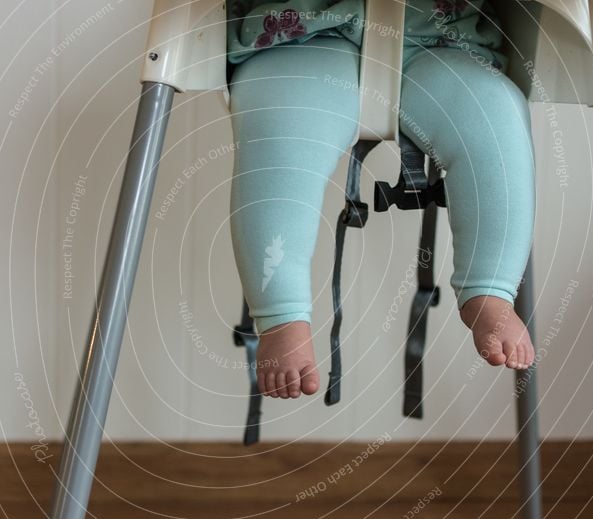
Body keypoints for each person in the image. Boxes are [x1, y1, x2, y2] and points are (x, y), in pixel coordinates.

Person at [227, 0, 536, 399]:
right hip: (300, 34)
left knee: (496, 124)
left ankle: (490, 288)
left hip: (442, 37)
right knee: (282, 143)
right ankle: (281, 313)